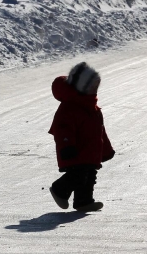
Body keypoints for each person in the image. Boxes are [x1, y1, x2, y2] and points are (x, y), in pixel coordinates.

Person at [48, 62, 115, 212]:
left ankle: (84, 201)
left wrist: (106, 150)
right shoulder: (70, 107)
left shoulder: (92, 107)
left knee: (89, 176)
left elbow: (100, 132)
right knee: (78, 175)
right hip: (75, 150)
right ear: (81, 87)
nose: (95, 89)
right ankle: (59, 190)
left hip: (90, 152)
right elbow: (63, 130)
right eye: (91, 86)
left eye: (96, 86)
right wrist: (67, 145)